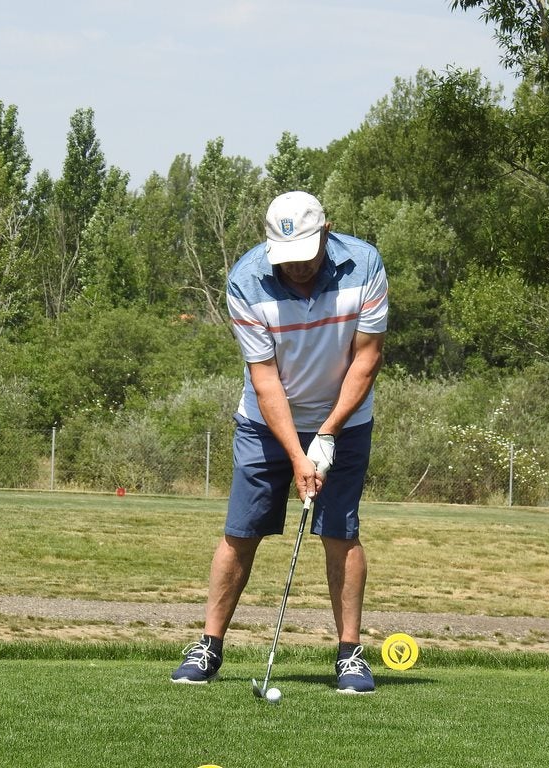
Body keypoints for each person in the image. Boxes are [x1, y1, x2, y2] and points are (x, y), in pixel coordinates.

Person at [170, 190, 388, 694]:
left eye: (305, 256)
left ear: (326, 234)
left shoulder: (365, 265)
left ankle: (350, 655)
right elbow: (265, 378)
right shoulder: (246, 280)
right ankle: (208, 646)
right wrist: (296, 454)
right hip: (266, 423)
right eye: (285, 260)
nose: (295, 269)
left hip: (346, 418)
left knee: (340, 530)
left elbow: (367, 358)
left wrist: (328, 432)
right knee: (241, 530)